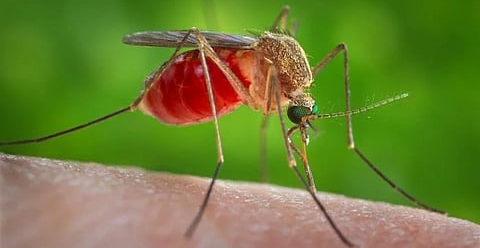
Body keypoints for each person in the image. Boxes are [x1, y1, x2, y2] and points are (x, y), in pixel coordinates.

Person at [1, 154, 479, 248]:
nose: (304, 124)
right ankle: (220, 158)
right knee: (200, 35)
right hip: (198, 73)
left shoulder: (295, 88)